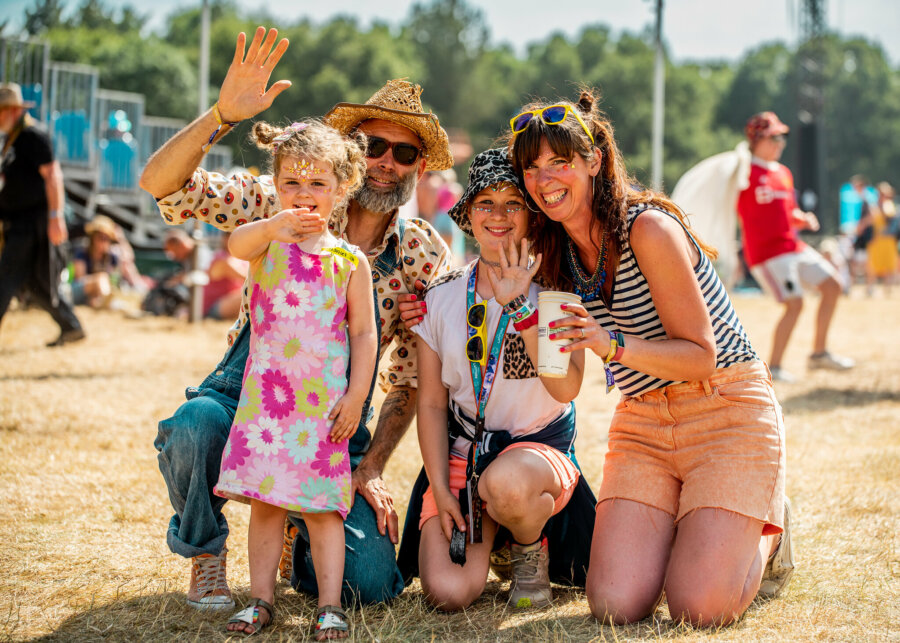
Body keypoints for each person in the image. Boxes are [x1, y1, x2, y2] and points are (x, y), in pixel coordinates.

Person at [138, 27, 452, 610]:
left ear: (418, 169)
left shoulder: (424, 254)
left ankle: (291, 533)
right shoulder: (280, 200)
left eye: (404, 152)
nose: (387, 161)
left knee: (374, 585)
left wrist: (372, 466)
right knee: (195, 425)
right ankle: (208, 555)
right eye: (373, 145)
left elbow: (409, 381)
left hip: (331, 418)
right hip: (249, 395)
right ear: (350, 151)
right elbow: (163, 187)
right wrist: (222, 115)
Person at [506, 93, 793, 627]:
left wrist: (610, 343)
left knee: (699, 608)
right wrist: (520, 310)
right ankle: (707, 528)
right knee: (614, 604)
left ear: (593, 161)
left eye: (559, 161)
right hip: (643, 421)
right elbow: (565, 387)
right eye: (532, 167)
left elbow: (702, 357)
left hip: (725, 408)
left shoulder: (648, 228)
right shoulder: (551, 259)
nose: (544, 179)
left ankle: (765, 536)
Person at [396, 149, 596, 610]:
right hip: (465, 459)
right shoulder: (442, 297)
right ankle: (499, 541)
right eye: (486, 203)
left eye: (513, 204)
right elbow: (430, 404)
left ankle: (528, 548)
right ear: (467, 214)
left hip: (535, 456)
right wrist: (442, 489)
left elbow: (564, 390)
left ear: (532, 216)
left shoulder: (556, 294)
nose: (499, 216)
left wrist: (519, 309)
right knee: (448, 594)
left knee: (506, 486)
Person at [215, 120, 376, 637]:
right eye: (291, 183)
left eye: (318, 184)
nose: (303, 196)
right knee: (265, 505)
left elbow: (364, 336)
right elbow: (235, 245)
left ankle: (330, 606)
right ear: (275, 185)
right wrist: (270, 226)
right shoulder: (265, 244)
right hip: (266, 405)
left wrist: (356, 396)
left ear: (342, 188)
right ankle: (261, 599)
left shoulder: (349, 261)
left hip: (322, 409)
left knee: (323, 509)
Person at [737, 112, 853, 381]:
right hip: (767, 254)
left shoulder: (783, 173)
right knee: (795, 303)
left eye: (783, 137)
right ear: (756, 139)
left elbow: (788, 210)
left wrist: (801, 218)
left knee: (833, 286)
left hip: (792, 246)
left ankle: (819, 354)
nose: (780, 142)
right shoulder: (743, 172)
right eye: (774, 137)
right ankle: (774, 369)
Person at [0, 82, 85, 346]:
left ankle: (71, 326)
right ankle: (71, 326)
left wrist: (55, 217)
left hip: (32, 223)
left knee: (5, 279)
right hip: (19, 222)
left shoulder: (33, 135)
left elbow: (53, 176)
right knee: (36, 284)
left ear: (12, 111)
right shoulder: (13, 137)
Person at [71, 214, 146, 308]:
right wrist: (99, 280)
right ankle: (108, 301)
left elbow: (129, 258)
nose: (104, 241)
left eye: (107, 238)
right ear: (93, 238)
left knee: (127, 266)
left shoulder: (111, 256)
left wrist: (121, 239)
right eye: (100, 237)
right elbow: (80, 279)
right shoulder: (82, 253)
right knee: (101, 278)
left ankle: (140, 292)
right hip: (78, 291)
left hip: (98, 293)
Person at [860, 181, 898, 296]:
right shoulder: (874, 207)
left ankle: (887, 290)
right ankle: (870, 288)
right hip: (876, 240)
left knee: (888, 265)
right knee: (872, 266)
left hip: (888, 241)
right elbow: (868, 221)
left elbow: (891, 219)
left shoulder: (889, 206)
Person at [202, 233, 248, 320]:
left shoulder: (242, 258)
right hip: (213, 306)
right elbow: (250, 279)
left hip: (228, 303)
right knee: (250, 294)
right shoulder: (221, 258)